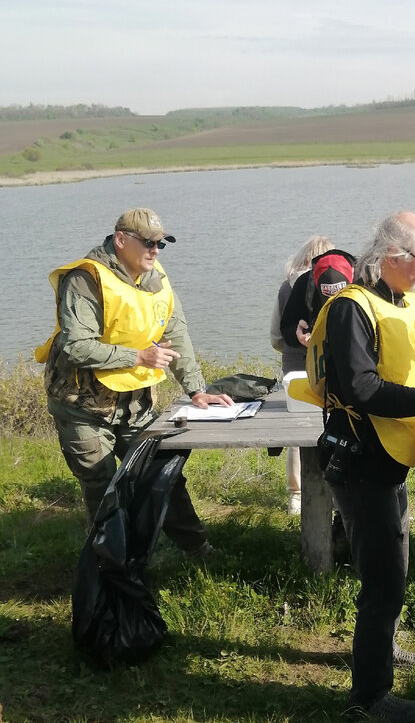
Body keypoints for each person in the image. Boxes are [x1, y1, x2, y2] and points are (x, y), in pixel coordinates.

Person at [308, 211, 415, 723]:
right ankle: (369, 699)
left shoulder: (400, 303)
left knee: (394, 570)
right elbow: (361, 389)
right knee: (384, 580)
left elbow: (404, 371)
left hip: (388, 461)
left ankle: (382, 649)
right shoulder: (352, 308)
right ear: (394, 255)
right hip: (360, 461)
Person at [35, 208, 233, 555]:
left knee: (160, 472)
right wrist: (138, 357)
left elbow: (176, 332)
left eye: (161, 244)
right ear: (121, 240)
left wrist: (197, 389)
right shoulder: (85, 279)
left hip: (136, 403)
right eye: (148, 243)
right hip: (80, 405)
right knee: (101, 482)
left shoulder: (156, 277)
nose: (156, 250)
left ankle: (197, 549)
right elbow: (76, 346)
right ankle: (109, 566)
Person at [270, 235, 334, 514]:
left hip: (295, 367)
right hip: (330, 365)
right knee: (334, 425)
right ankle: (334, 489)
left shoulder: (287, 287)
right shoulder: (338, 285)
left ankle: (296, 495)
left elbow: (275, 336)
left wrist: (291, 347)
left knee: (298, 430)